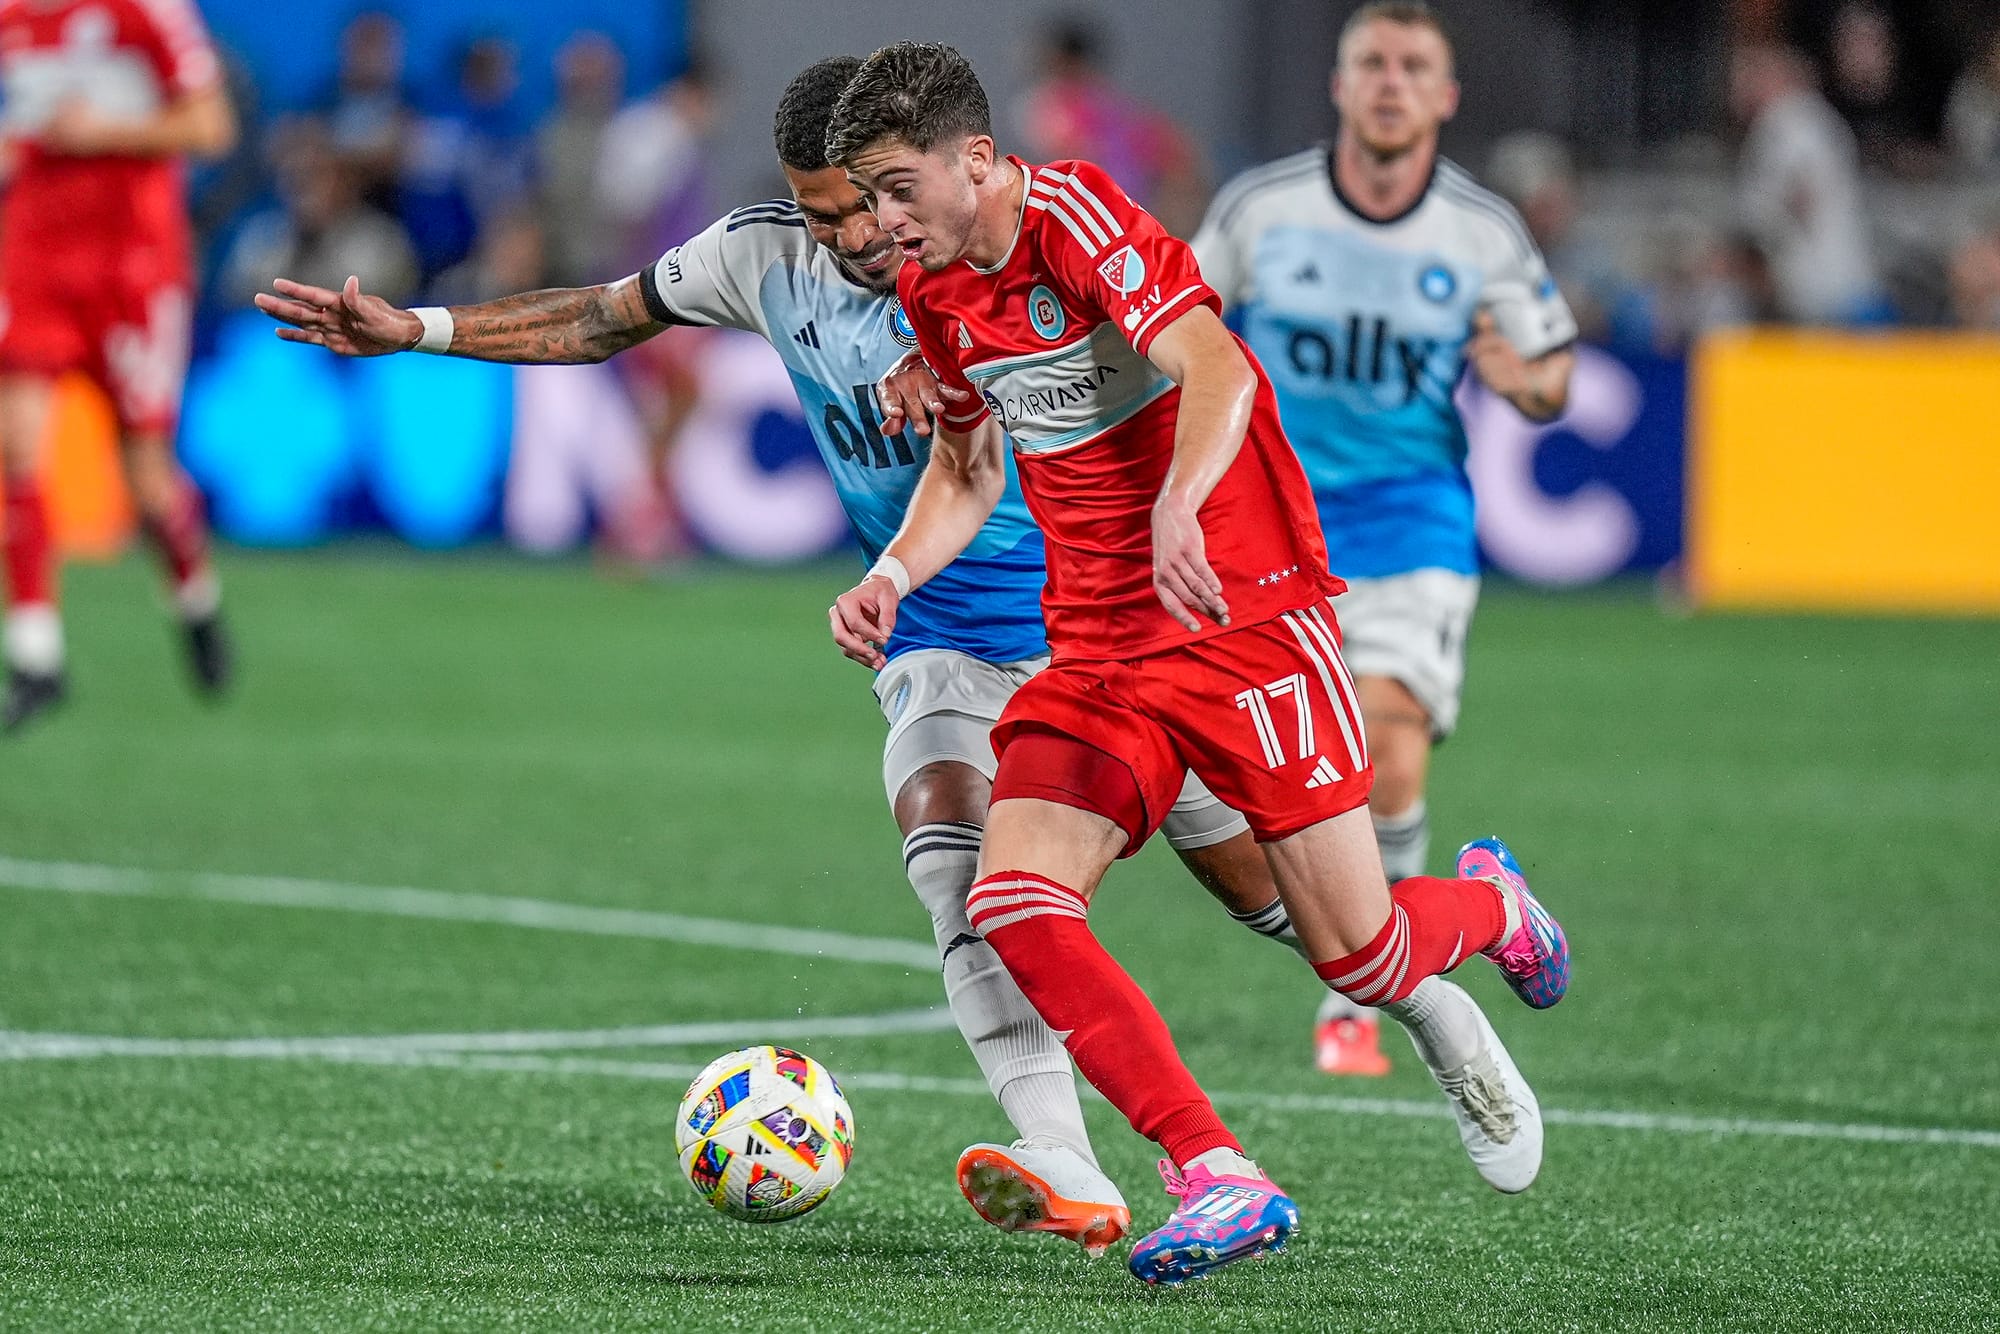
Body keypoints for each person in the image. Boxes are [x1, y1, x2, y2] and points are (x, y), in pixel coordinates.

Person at [255, 57, 1316, 1260]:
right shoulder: (764, 255)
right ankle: (1064, 1156)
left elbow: (1174, 356)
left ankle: (1441, 986)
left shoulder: (988, 241)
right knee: (957, 859)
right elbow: (605, 317)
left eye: (871, 202)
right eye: (827, 211)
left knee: (1280, 899)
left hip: (1108, 619)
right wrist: (423, 328)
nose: (861, 235)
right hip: (936, 625)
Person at [828, 40, 1568, 1286]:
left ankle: (1491, 905)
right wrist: (891, 576)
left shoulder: (1072, 215)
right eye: (867, 198)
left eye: (898, 189)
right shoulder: (934, 294)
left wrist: (1179, 504)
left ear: (974, 157)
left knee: (1360, 952)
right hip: (1100, 647)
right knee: (1013, 901)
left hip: (1242, 618)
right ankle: (1215, 1171)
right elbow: (964, 469)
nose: (880, 222)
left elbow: (1215, 364)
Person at [1188, 3, 1578, 1076]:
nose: (1391, 81)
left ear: (1445, 97)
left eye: (1414, 65)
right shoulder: (1259, 211)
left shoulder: (1478, 229)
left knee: (1382, 740)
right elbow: (1173, 325)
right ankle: (1423, 934)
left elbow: (1549, 367)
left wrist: (1524, 384)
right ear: (1340, 84)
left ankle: (1360, 996)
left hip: (1409, 520)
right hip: (1265, 527)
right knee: (1256, 785)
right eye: (1372, 62)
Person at [0, 0, 239, 734]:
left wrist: (100, 133)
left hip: (132, 271)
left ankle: (194, 596)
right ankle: (36, 655)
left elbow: (211, 127)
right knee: (14, 450)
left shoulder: (146, 13)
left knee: (145, 478)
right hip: (34, 261)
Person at [1728, 41, 1886, 326]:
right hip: (1845, 282)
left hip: (1820, 291)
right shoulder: (1820, 119)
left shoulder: (1790, 120)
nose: (1739, 89)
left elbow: (1796, 197)